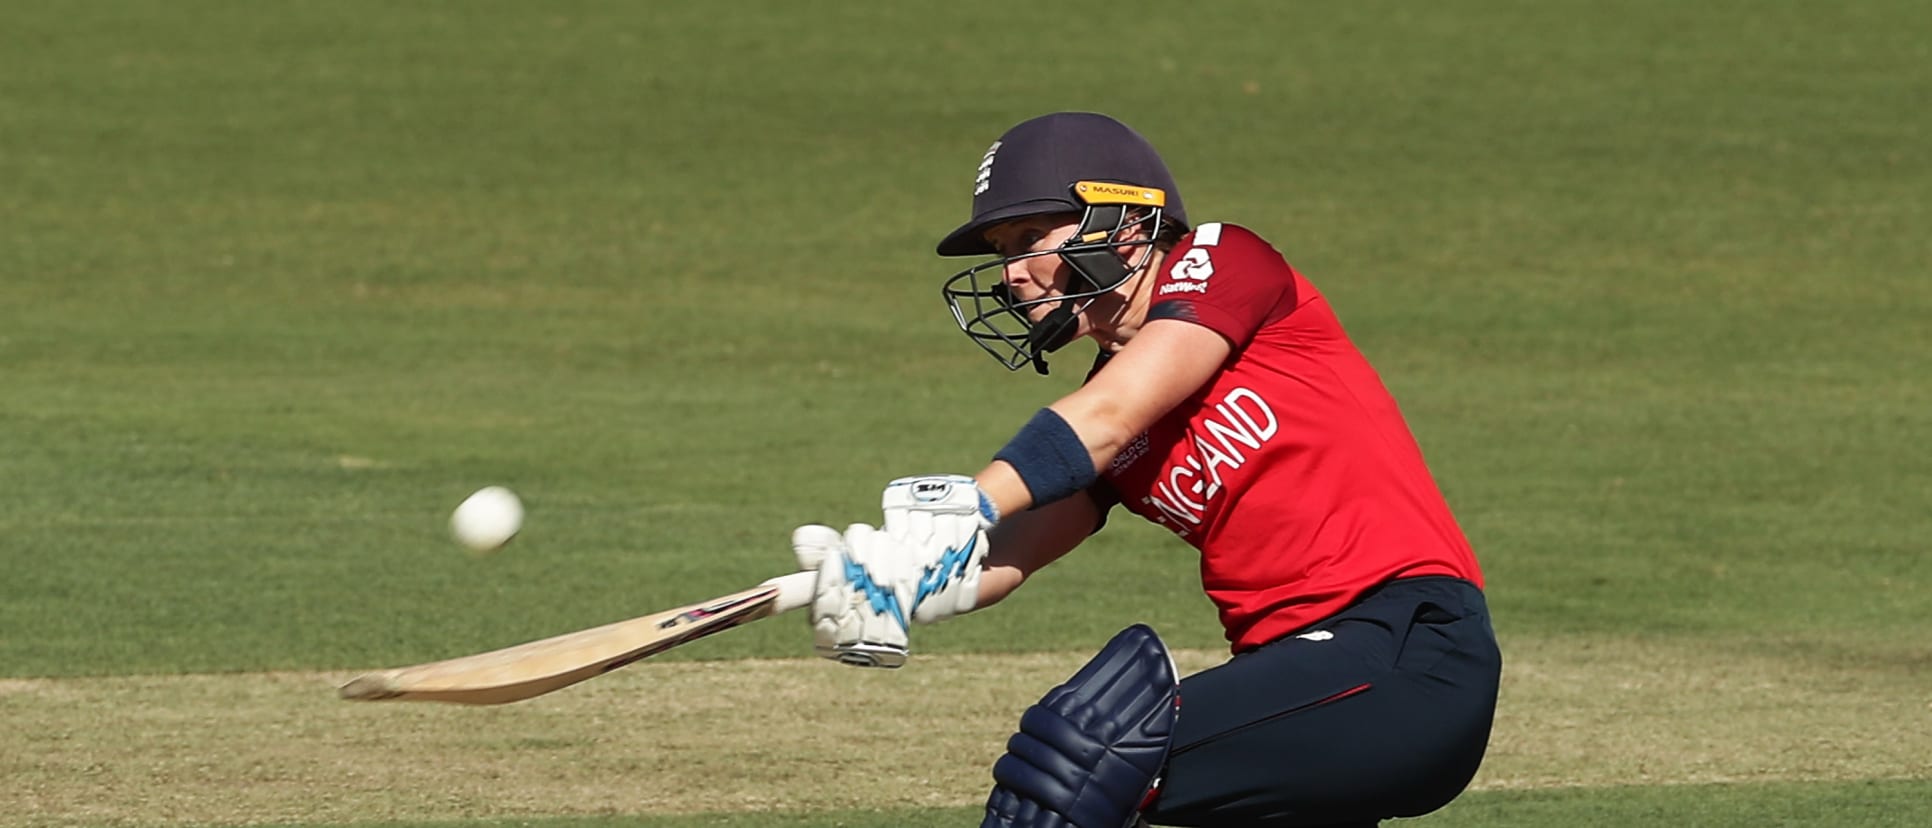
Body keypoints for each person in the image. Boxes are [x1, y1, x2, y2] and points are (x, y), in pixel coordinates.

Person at [790, 112, 1502, 828]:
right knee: (1076, 769)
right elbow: (1011, 551)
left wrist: (970, 500)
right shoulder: (1105, 421)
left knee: (1080, 756)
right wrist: (894, 577)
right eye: (1003, 250)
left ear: (1123, 221)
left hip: (1405, 652)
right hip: (1298, 690)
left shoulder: (1223, 260)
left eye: (1030, 239)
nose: (1009, 274)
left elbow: (1108, 416)